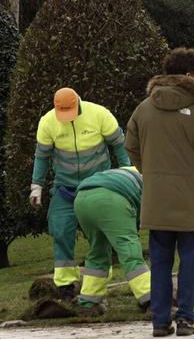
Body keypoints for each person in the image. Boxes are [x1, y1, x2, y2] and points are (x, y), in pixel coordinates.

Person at [126, 48, 194, 338]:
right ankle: (185, 318)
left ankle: (159, 321)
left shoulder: (144, 108)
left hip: (156, 199)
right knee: (192, 259)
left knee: (159, 260)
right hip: (191, 198)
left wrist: (150, 171)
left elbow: (130, 144)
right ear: (188, 74)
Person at [30, 88, 130, 299]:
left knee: (100, 235)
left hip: (98, 185)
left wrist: (127, 172)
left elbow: (120, 145)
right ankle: (66, 285)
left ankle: (97, 282)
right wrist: (36, 186)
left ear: (78, 103)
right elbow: (41, 156)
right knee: (60, 230)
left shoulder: (99, 114)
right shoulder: (48, 122)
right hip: (65, 188)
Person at [73, 166, 151, 316]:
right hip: (111, 198)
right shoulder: (151, 179)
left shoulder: (128, 170)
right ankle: (151, 298)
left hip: (81, 199)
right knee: (128, 249)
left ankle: (88, 302)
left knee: (98, 251)